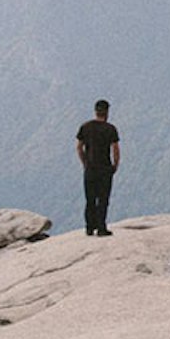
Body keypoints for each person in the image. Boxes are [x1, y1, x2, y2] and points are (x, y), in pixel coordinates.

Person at [75, 99, 121, 237]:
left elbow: (79, 147)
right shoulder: (110, 129)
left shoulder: (85, 127)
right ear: (107, 112)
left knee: (90, 199)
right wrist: (115, 165)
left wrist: (84, 162)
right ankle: (101, 228)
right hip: (105, 169)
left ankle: (89, 227)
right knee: (103, 199)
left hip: (90, 168)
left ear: (95, 111)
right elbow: (116, 149)